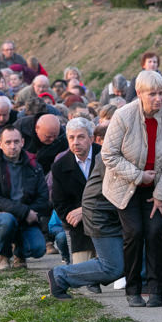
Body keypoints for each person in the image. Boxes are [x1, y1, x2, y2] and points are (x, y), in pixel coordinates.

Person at [101, 70, 162, 307]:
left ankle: (156, 289)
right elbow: (109, 154)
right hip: (125, 184)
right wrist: (138, 176)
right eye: (152, 94)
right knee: (134, 233)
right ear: (139, 94)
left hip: (157, 184)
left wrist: (161, 195)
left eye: (161, 94)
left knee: (155, 232)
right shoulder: (123, 115)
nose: (158, 99)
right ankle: (133, 289)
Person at [47, 159, 125, 299]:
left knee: (120, 263)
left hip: (115, 213)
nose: (76, 142)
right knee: (112, 267)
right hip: (101, 215)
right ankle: (60, 276)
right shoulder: (109, 153)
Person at [0, 125, 49, 270]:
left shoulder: (33, 166)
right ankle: (3, 254)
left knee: (38, 249)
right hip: (2, 217)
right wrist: (24, 212)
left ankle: (19, 253)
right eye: (8, 142)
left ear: (22, 142)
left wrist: (30, 213)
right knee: (7, 221)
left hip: (28, 219)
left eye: (16, 142)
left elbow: (43, 197)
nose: (13, 146)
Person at [51, 117, 101, 281]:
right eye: (71, 138)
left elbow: (113, 193)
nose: (75, 142)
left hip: (108, 218)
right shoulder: (60, 165)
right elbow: (59, 203)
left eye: (81, 137)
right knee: (83, 276)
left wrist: (84, 210)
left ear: (91, 138)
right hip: (79, 226)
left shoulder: (106, 157)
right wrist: (77, 215)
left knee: (114, 272)